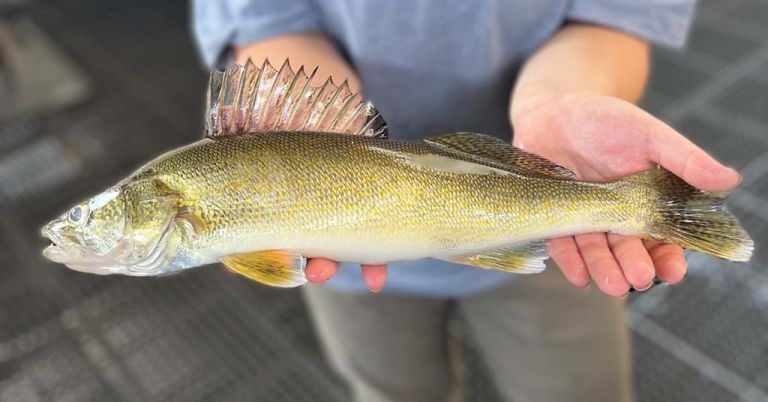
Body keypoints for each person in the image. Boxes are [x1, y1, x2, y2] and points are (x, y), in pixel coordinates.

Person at [193, 1, 741, 401]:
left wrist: (561, 99)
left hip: (562, 242)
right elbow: (269, 23)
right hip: (341, 269)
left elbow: (618, 19)